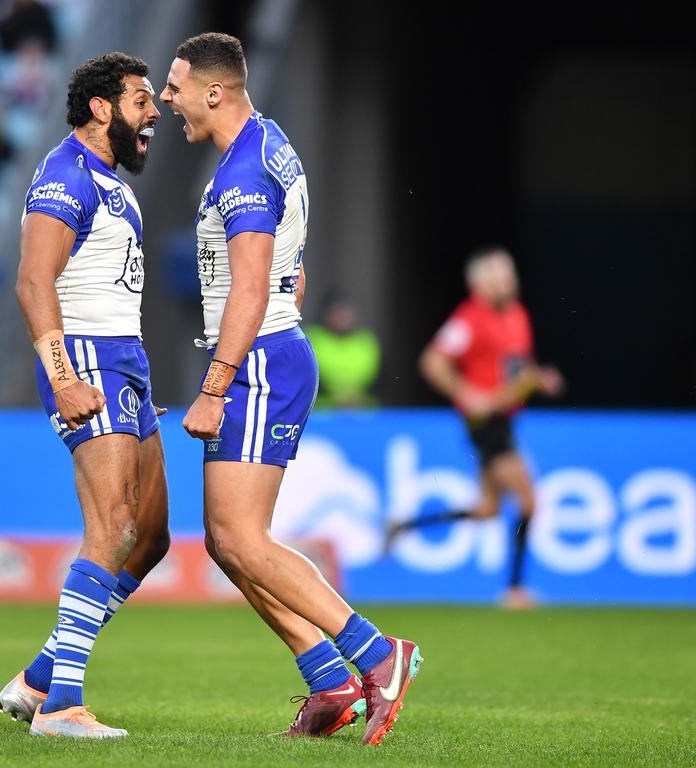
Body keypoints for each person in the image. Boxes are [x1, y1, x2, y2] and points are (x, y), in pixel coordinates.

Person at [160, 33, 421, 745]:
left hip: (257, 360)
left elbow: (250, 285)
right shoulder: (273, 143)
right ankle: (330, 684)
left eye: (176, 85)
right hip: (274, 347)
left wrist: (215, 384)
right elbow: (288, 267)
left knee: (241, 536)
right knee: (226, 540)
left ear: (215, 92)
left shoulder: (241, 174)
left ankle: (375, 656)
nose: (165, 97)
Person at [0, 52, 168, 740]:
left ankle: (40, 676)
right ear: (102, 107)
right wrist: (63, 376)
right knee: (113, 525)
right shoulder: (66, 176)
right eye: (140, 100)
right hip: (89, 359)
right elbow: (34, 283)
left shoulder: (111, 180)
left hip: (127, 358)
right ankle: (62, 705)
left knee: (149, 536)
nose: (153, 111)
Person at [388, 246, 563, 608]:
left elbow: (516, 368)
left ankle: (403, 527)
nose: (506, 282)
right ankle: (515, 590)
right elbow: (433, 361)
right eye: (497, 276)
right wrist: (466, 392)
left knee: (487, 509)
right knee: (529, 500)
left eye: (508, 274)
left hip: (506, 419)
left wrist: (537, 379)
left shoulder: (516, 316)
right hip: (487, 423)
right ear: (479, 284)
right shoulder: (470, 319)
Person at [306, 297, 380, 407]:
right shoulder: (313, 338)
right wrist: (335, 397)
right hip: (321, 411)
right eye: (338, 313)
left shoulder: (366, 341)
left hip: (362, 410)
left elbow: (381, 377)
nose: (342, 319)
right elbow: (304, 374)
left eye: (346, 314)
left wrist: (355, 397)